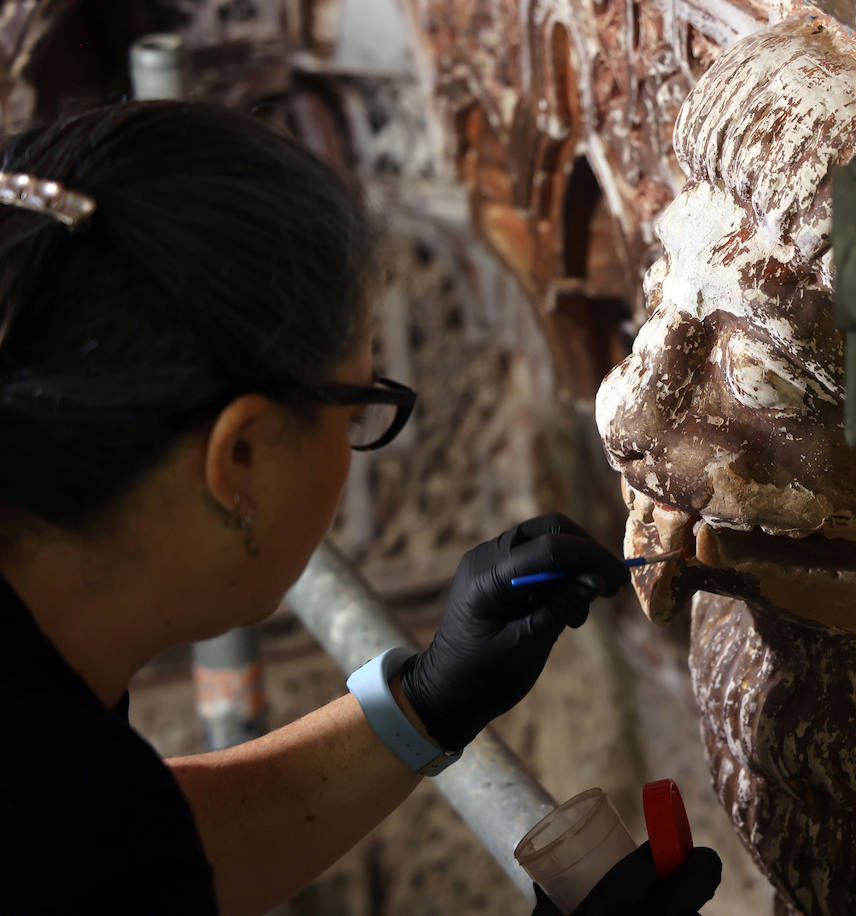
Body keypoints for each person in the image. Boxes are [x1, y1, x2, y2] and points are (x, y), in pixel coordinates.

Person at [0, 100, 722, 915]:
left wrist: (424, 701)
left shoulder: (52, 766)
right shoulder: (39, 825)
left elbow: (126, 845)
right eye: (357, 412)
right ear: (241, 456)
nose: (356, 439)